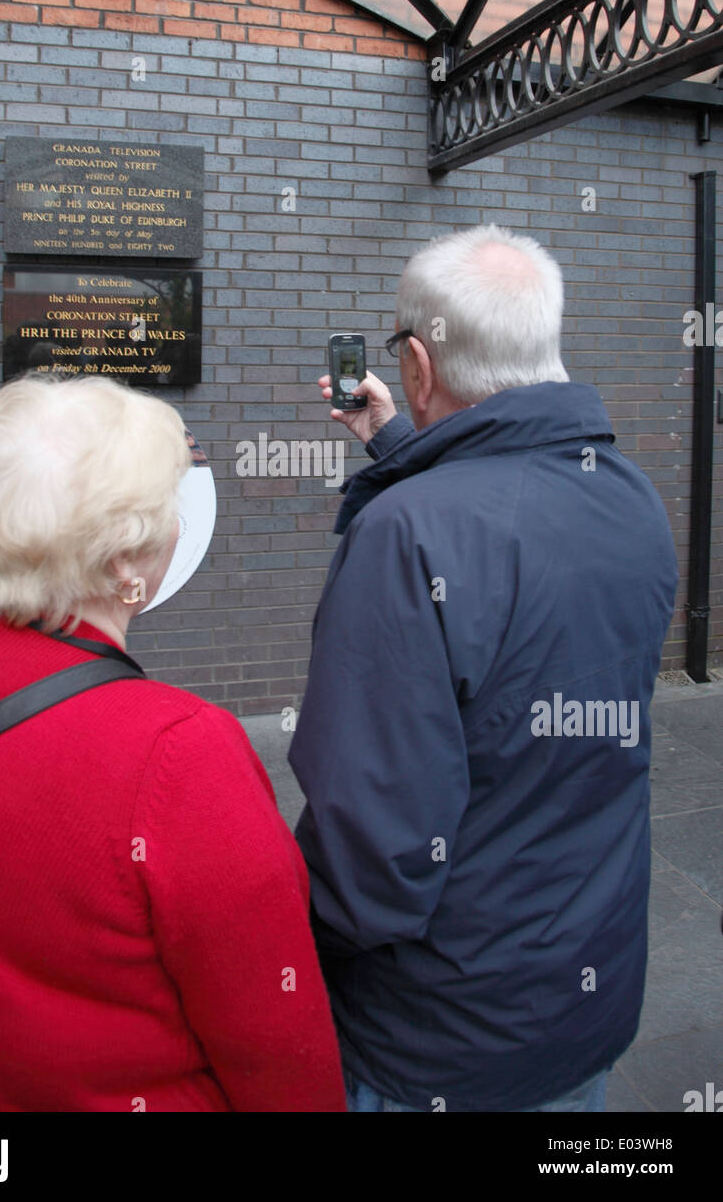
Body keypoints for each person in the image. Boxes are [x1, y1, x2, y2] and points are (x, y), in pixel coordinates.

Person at [0, 372, 345, 1112]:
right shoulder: (181, 752)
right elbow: (281, 1058)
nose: (178, 526)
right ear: (125, 563)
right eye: (167, 508)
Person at [289, 224, 678, 1113]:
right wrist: (398, 441)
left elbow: (372, 846)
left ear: (419, 363)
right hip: (588, 994)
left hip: (436, 1037)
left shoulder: (407, 533)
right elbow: (509, 542)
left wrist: (293, 955)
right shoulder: (630, 496)